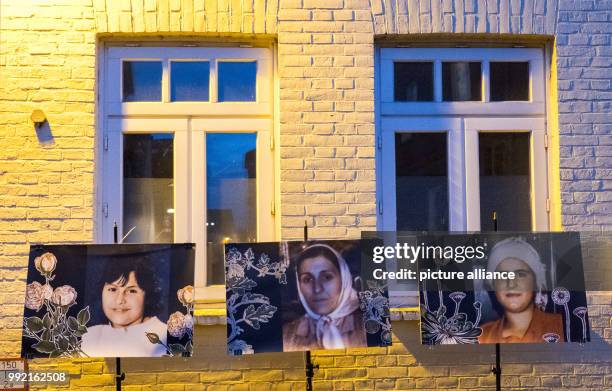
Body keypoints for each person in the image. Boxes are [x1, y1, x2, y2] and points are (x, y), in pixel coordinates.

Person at [479, 237, 565, 344]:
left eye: (520, 274)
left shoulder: (562, 327)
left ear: (536, 281)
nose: (511, 283)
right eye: (502, 275)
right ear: (492, 285)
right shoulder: (482, 336)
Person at [282, 243, 366, 351]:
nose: (317, 289)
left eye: (327, 277)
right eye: (307, 279)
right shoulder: (287, 334)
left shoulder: (370, 325)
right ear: (299, 285)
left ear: (344, 279)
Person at [81, 257, 167, 357]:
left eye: (132, 291)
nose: (120, 300)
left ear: (148, 296)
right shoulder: (90, 336)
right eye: (113, 289)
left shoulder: (163, 336)